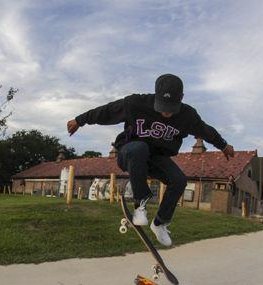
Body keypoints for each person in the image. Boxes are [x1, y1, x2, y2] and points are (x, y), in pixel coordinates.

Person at [66, 74, 234, 246]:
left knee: (179, 180)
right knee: (140, 148)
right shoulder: (135, 103)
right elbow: (107, 111)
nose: (166, 112)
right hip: (129, 153)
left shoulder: (188, 116)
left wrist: (223, 145)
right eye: (162, 106)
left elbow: (206, 131)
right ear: (155, 95)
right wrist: (80, 120)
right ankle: (140, 205)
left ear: (181, 98)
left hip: (156, 159)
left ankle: (160, 223)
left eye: (171, 107)